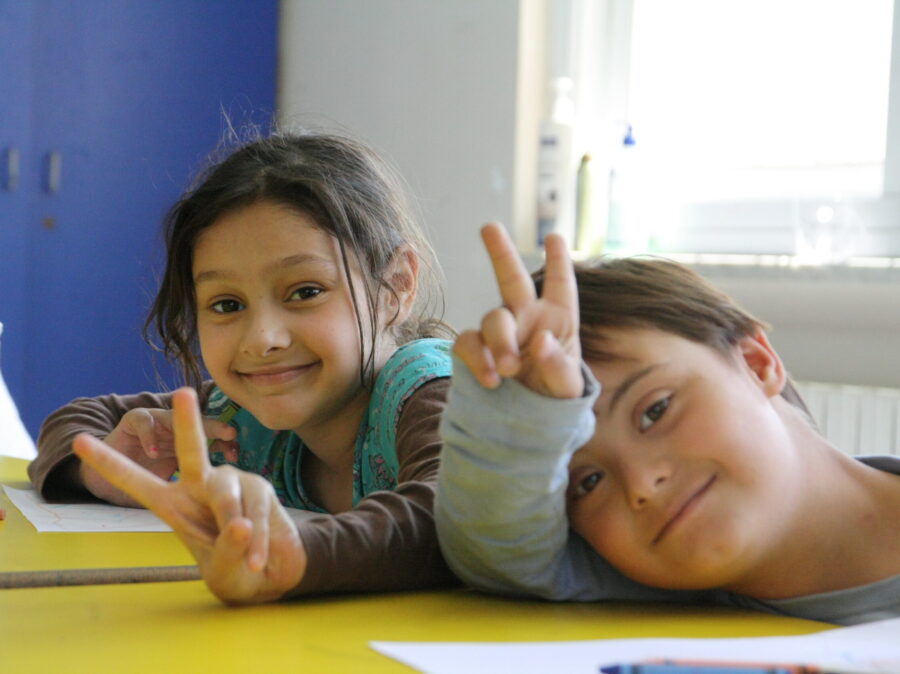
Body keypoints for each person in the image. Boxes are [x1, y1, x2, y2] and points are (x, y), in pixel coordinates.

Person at [29, 131, 458, 604]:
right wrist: (104, 471)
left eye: (306, 291)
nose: (262, 339)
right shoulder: (237, 419)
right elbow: (80, 420)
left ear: (394, 286)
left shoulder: (429, 389)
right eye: (227, 303)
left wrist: (292, 555)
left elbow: (451, 514)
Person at [434, 222, 900, 625]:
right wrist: (522, 423)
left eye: (654, 410)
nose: (641, 485)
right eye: (589, 481)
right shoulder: (661, 593)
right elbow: (496, 553)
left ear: (757, 363)